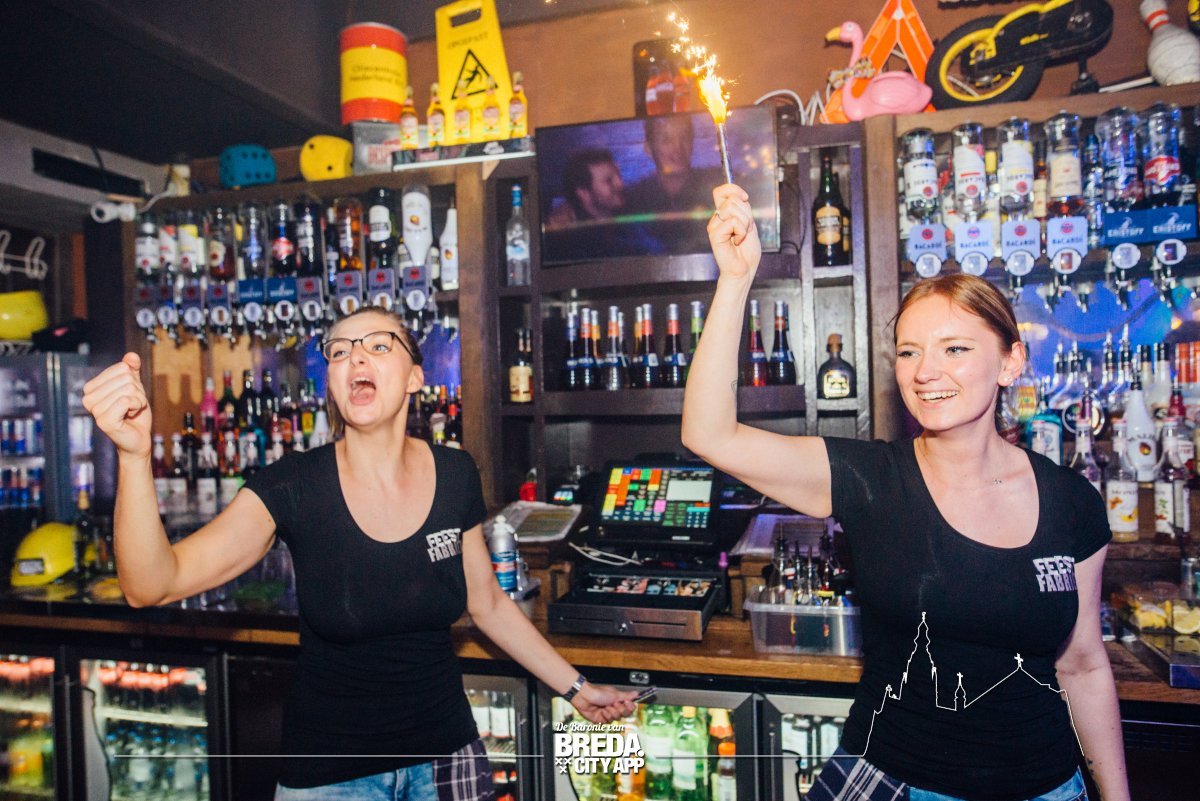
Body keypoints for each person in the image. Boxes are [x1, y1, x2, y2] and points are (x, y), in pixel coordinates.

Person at [682, 185, 1130, 801]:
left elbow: (1082, 663)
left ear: (1010, 362)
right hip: (893, 782)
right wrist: (735, 280)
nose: (925, 372)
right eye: (909, 352)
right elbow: (708, 434)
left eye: (955, 349)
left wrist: (1117, 795)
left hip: (1045, 787)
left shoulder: (1071, 501)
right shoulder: (871, 478)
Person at [83, 306, 638, 800]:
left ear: (416, 376)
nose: (355, 357)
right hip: (331, 776)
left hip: (447, 761)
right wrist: (134, 456)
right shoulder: (294, 486)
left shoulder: (455, 472)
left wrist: (577, 688)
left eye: (377, 345)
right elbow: (151, 583)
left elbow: (488, 604)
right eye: (340, 351)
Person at [625, 114, 724, 253]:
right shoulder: (634, 199)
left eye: (684, 137)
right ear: (648, 147)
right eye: (666, 140)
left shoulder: (715, 189)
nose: (677, 148)